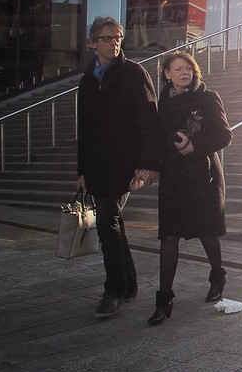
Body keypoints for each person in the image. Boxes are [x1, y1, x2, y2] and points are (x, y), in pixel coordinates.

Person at [76, 16, 160, 318]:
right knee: (112, 225)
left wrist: (149, 164)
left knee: (106, 222)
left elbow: (150, 121)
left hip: (125, 165)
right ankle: (128, 285)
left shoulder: (133, 73)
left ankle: (112, 290)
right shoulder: (87, 80)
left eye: (118, 37)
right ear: (92, 42)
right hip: (97, 166)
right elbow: (83, 129)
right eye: (107, 38)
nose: (114, 43)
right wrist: (82, 171)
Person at [149, 50, 232, 325]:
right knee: (169, 237)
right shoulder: (162, 103)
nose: (185, 72)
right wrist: (149, 166)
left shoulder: (207, 98)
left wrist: (195, 147)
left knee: (207, 233)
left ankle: (217, 276)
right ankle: (164, 299)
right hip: (173, 178)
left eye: (189, 68)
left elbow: (224, 135)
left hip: (202, 176)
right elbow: (156, 140)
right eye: (178, 68)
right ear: (167, 74)